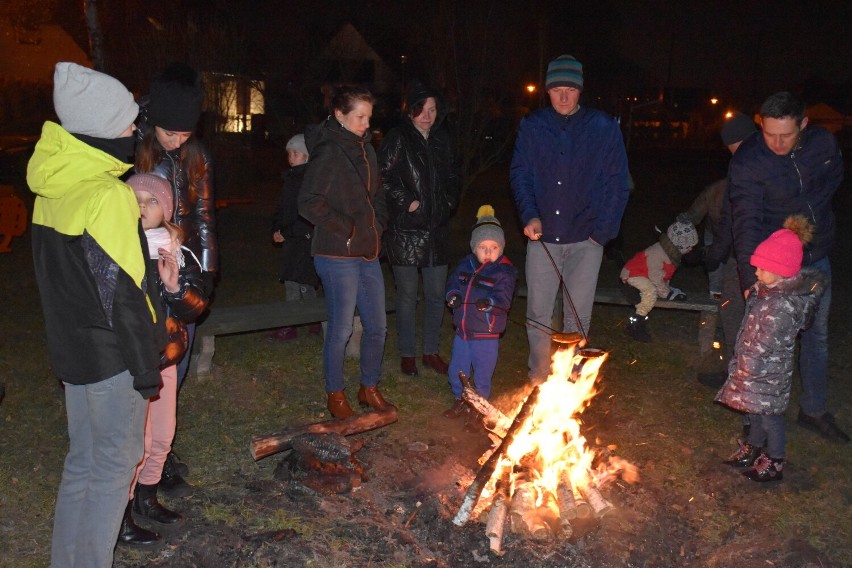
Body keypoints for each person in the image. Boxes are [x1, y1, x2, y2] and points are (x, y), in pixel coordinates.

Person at [27, 62, 162, 568]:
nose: (134, 133)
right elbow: (124, 293)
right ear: (104, 128)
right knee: (113, 466)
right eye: (128, 124)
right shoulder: (108, 195)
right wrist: (146, 367)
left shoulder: (51, 188)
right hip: (111, 358)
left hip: (72, 352)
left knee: (82, 462)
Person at [725, 91, 847, 442]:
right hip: (774, 266)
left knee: (816, 335)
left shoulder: (823, 144)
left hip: (816, 256)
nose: (777, 143)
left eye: (786, 135)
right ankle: (755, 419)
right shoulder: (749, 161)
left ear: (804, 124)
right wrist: (751, 278)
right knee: (763, 343)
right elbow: (745, 220)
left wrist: (813, 220)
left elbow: (833, 180)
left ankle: (813, 410)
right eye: (769, 133)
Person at [510, 54, 629, 384]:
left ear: (581, 92)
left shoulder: (602, 128)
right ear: (547, 91)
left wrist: (602, 232)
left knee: (578, 318)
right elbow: (520, 174)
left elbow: (618, 182)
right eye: (557, 89)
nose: (564, 96)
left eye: (571, 89)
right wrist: (530, 214)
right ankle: (538, 380)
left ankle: (570, 385)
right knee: (538, 315)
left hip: (586, 240)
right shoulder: (534, 127)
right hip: (543, 238)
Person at [135, 62, 217, 491]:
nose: (178, 140)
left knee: (176, 363)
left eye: (186, 133)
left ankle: (161, 455)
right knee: (148, 368)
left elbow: (203, 219)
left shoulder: (197, 155)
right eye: (171, 133)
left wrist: (203, 277)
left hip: (180, 270)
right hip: (142, 275)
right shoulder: (132, 144)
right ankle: (142, 456)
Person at [118, 174, 209, 545]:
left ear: (166, 211)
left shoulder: (176, 250)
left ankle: (147, 497)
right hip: (132, 362)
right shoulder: (118, 247)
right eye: (135, 198)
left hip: (166, 357)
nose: (142, 206)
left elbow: (196, 307)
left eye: (152, 201)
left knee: (162, 435)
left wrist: (174, 287)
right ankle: (120, 515)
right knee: (132, 442)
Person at [298, 85, 390, 419]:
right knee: (341, 328)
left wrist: (377, 224)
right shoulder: (329, 151)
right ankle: (335, 393)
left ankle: (369, 387)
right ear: (340, 115)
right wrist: (348, 229)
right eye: (359, 117)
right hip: (336, 254)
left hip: (368, 251)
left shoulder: (367, 149)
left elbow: (377, 193)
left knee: (377, 326)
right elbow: (308, 202)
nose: (366, 124)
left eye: (369, 117)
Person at [716, 216, 826, 482]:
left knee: (770, 418)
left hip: (768, 372)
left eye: (762, 269)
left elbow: (769, 341)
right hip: (753, 367)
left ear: (781, 273)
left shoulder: (784, 305)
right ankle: (754, 448)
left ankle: (775, 460)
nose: (756, 273)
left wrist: (750, 362)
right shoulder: (767, 293)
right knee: (753, 411)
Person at [379, 82, 459, 377]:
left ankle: (430, 351)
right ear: (411, 111)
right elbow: (382, 176)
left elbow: (453, 175)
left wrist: (448, 202)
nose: (427, 116)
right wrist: (406, 201)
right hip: (406, 232)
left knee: (437, 294)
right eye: (422, 110)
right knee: (407, 295)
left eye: (433, 110)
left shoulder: (442, 140)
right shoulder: (398, 138)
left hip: (436, 230)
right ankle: (407, 353)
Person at [696, 112, 758, 389]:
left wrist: (715, 255)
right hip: (756, 253)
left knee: (734, 312)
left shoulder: (746, 165)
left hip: (751, 256)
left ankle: (741, 377)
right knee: (743, 313)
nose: (732, 154)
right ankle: (741, 372)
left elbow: (733, 219)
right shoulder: (767, 159)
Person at [443, 206, 517, 418]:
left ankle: (479, 408)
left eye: (493, 247)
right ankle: (460, 398)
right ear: (474, 247)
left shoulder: (504, 271)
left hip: (486, 334)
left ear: (501, 248)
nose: (488, 252)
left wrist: (490, 302)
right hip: (463, 332)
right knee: (457, 369)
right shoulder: (465, 264)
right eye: (482, 247)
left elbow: (503, 298)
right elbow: (453, 282)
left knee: (483, 374)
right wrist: (452, 295)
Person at [687, 112, 757, 300]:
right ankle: (716, 296)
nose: (731, 151)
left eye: (731, 146)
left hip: (741, 234)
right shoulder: (715, 190)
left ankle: (736, 299)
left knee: (735, 267)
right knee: (715, 266)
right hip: (716, 231)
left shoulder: (753, 177)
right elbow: (693, 215)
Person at [269, 133, 321, 341]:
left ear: (307, 156)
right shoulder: (289, 178)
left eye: (296, 153)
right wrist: (275, 229)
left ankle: (302, 321)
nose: (292, 157)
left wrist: (288, 232)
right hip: (290, 238)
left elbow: (307, 214)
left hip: (304, 238)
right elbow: (282, 208)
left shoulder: (310, 180)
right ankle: (307, 320)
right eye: (289, 153)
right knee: (293, 279)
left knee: (301, 280)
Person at [620, 215, 698, 342]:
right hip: (633, 274)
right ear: (677, 244)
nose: (691, 249)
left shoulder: (671, 254)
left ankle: (636, 308)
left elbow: (663, 276)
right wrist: (665, 293)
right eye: (688, 246)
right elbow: (655, 276)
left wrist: (668, 290)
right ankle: (635, 325)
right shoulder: (657, 253)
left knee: (655, 289)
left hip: (644, 275)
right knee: (650, 292)